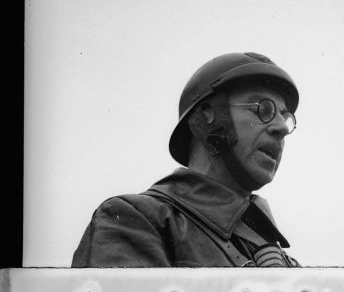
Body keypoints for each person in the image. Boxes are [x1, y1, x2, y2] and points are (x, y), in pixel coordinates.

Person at [72, 52, 300, 268]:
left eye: (285, 116)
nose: (281, 127)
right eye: (264, 109)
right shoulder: (136, 220)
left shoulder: (288, 263)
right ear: (209, 116)